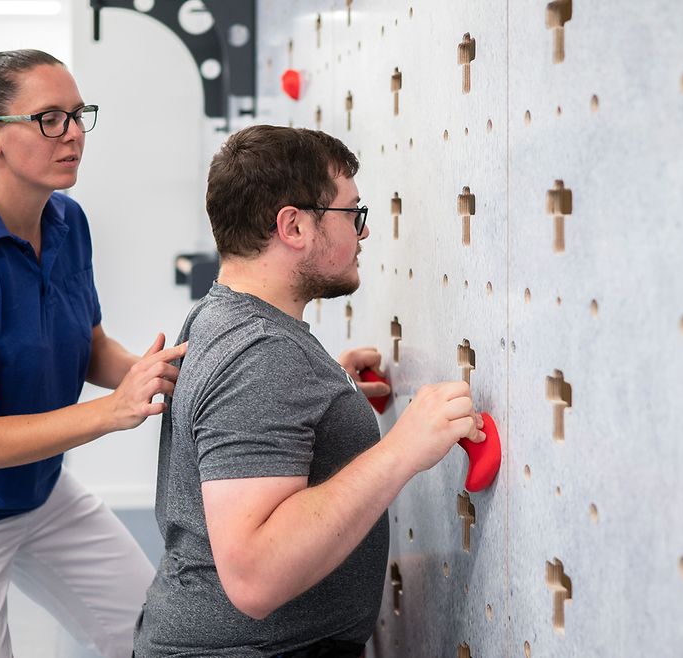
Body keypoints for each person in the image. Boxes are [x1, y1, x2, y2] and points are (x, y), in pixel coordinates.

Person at [133, 125, 487, 657]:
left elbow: (251, 416)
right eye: (352, 214)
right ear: (294, 225)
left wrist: (330, 400)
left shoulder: (225, 318)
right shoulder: (260, 356)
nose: (362, 234)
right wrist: (402, 448)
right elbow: (255, 576)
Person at [0, 50, 186, 658]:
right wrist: (112, 412)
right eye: (49, 118)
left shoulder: (67, 221)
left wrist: (176, 374)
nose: (72, 133)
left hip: (43, 495)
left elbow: (91, 346)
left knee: (157, 636)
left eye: (77, 115)